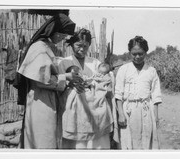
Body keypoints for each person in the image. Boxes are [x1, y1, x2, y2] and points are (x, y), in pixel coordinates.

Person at [15, 13, 82, 149]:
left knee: (47, 139)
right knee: (43, 140)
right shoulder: (39, 48)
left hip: (46, 99)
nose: (62, 38)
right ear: (54, 31)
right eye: (62, 35)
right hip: (40, 101)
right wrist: (66, 77)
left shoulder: (46, 47)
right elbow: (40, 81)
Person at [58, 29, 114, 149]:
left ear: (89, 45)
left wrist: (96, 82)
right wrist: (70, 83)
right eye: (78, 45)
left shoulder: (95, 63)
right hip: (73, 105)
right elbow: (59, 84)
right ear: (72, 44)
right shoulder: (64, 62)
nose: (82, 49)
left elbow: (106, 79)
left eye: (85, 46)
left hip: (93, 105)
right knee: (76, 143)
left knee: (95, 142)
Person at [114, 36, 162, 149]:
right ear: (129, 53)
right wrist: (121, 114)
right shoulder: (124, 69)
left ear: (146, 52)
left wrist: (155, 115)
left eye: (140, 53)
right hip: (128, 110)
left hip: (146, 109)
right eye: (134, 54)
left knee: (146, 139)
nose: (137, 57)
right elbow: (118, 93)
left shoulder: (151, 71)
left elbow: (155, 94)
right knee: (128, 140)